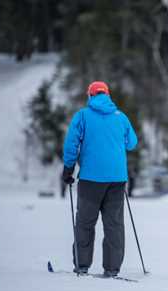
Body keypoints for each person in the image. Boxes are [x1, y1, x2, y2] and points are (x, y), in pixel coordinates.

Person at [62, 81, 138, 277]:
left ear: (90, 96)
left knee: (85, 223)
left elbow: (71, 144)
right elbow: (132, 143)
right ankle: (112, 269)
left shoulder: (83, 116)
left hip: (91, 179)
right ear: (108, 95)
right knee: (114, 224)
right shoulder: (120, 117)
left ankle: (82, 265)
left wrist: (68, 169)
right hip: (117, 179)